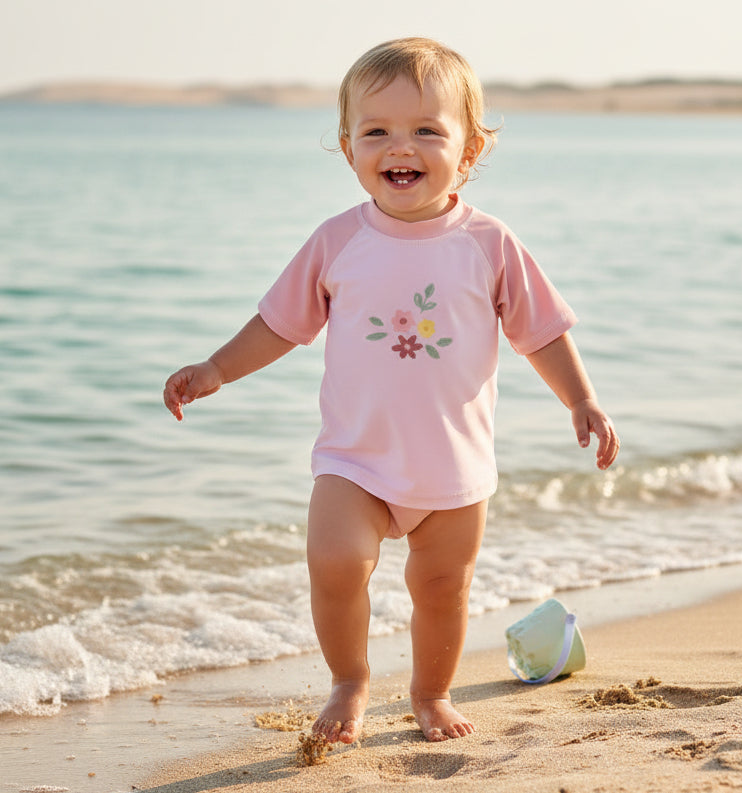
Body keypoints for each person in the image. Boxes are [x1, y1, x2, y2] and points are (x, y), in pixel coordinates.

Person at [163, 37, 619, 745]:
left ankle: (430, 692)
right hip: (355, 458)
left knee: (441, 588)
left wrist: (579, 398)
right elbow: (280, 323)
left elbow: (541, 332)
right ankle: (349, 679)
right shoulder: (337, 240)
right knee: (335, 561)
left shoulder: (489, 243)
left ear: (468, 153)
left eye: (426, 130)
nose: (398, 146)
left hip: (452, 467)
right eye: (376, 130)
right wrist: (218, 368)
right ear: (349, 150)